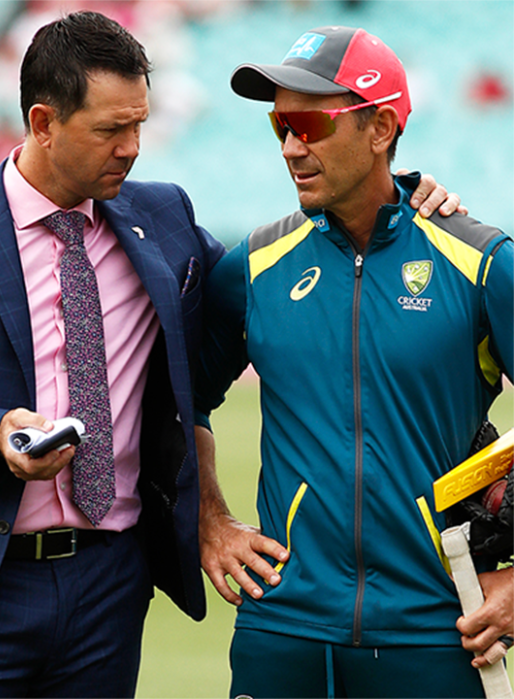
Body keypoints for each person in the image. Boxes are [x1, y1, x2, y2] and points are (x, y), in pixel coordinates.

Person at [0, 10, 460, 698]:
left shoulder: (162, 221)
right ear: (44, 123)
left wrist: (402, 198)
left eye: (140, 123)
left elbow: (289, 277)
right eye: (111, 129)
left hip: (106, 587)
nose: (133, 147)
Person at [195, 25, 512, 698]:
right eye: (280, 123)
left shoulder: (482, 263)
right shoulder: (250, 270)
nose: (290, 146)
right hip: (281, 630)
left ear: (381, 128)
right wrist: (210, 519)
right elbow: (175, 400)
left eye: (309, 122)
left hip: (437, 632)